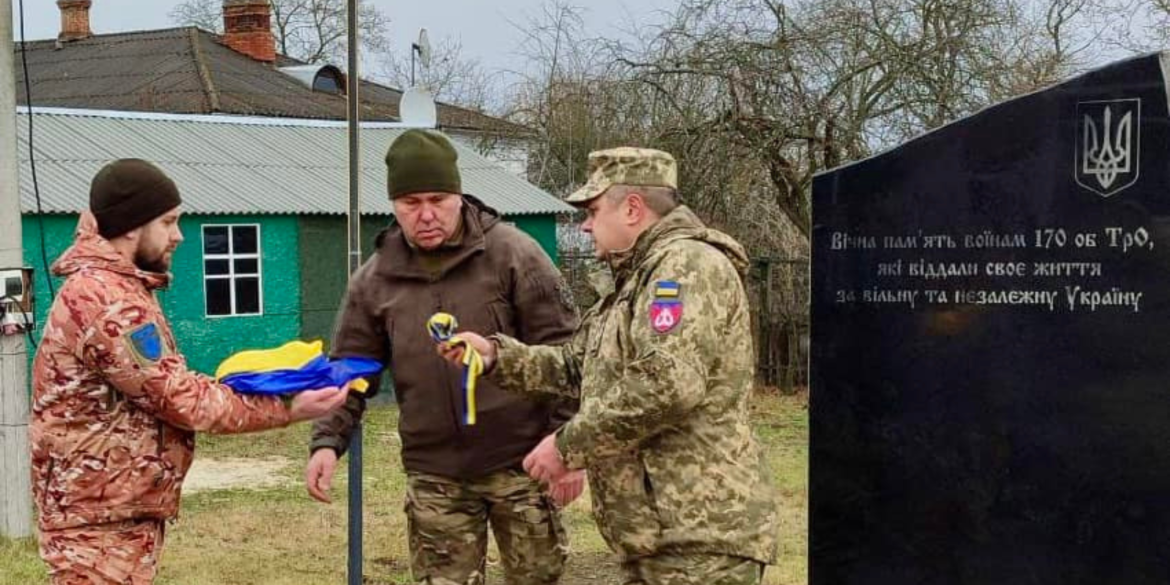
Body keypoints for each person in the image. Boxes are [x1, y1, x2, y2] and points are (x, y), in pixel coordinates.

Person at [438, 147, 781, 585]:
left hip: (700, 536)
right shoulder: (635, 280)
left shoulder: (686, 268)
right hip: (662, 536)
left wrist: (567, 446)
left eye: (594, 210)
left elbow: (666, 386)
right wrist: (495, 355)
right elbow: (578, 366)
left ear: (633, 208)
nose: (584, 224)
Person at [30, 159, 350, 585]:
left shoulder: (118, 287)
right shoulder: (107, 300)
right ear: (130, 226)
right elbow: (180, 398)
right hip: (98, 522)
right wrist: (287, 406)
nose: (179, 235)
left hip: (107, 511)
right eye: (168, 221)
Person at [305, 129, 581, 585]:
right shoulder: (374, 281)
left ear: (458, 195)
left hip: (523, 462)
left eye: (438, 199)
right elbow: (350, 371)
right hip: (435, 471)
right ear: (394, 205)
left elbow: (566, 352)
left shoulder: (513, 253)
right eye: (411, 203)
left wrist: (567, 446)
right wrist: (327, 443)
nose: (426, 215)